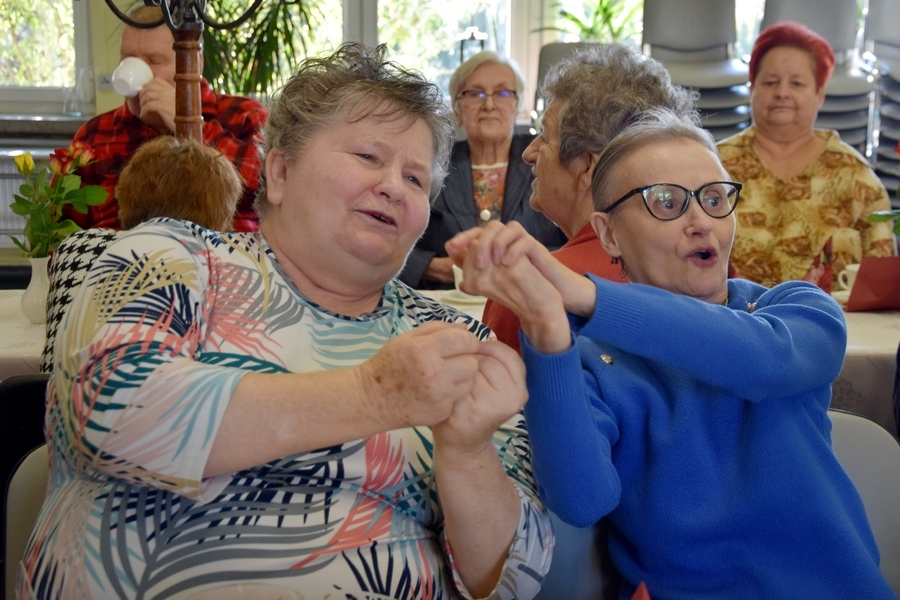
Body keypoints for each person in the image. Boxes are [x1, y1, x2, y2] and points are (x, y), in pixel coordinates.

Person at [20, 44, 552, 600]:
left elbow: (514, 577)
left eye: (416, 179)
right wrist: (373, 396)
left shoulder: (455, 341)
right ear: (279, 172)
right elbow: (109, 408)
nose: (395, 186)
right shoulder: (174, 257)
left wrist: (467, 452)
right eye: (368, 156)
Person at [448, 109, 895, 599]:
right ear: (609, 234)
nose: (701, 221)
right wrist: (546, 330)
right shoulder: (595, 362)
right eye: (666, 202)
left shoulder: (795, 308)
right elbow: (581, 500)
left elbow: (764, 359)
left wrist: (587, 296)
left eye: (714, 198)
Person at [480, 43, 697, 353]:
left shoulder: (529, 291)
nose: (529, 153)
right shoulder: (708, 272)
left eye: (546, 137)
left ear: (587, 167)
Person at [40, 135, 244, 372]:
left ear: (125, 198)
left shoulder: (76, 247)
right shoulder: (220, 270)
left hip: (50, 396)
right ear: (221, 220)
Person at [718, 21, 894, 290]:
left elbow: (882, 285)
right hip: (729, 314)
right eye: (770, 82)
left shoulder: (855, 176)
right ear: (752, 88)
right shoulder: (715, 166)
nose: (782, 93)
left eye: (797, 83)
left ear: (819, 94)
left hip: (832, 316)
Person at [65, 5, 267, 233]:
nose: (136, 70)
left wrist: (189, 123)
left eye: (154, 60)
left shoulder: (245, 115)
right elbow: (61, 228)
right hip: (122, 254)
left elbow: (267, 186)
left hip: (222, 253)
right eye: (128, 58)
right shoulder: (94, 134)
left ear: (195, 63)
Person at [399, 50, 565, 289]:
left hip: (532, 295)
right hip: (447, 298)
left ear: (517, 106)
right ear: (457, 110)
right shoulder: (432, 162)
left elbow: (578, 239)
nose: (489, 104)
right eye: (475, 94)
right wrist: (435, 268)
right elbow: (389, 234)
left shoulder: (546, 159)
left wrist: (527, 262)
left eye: (502, 93)